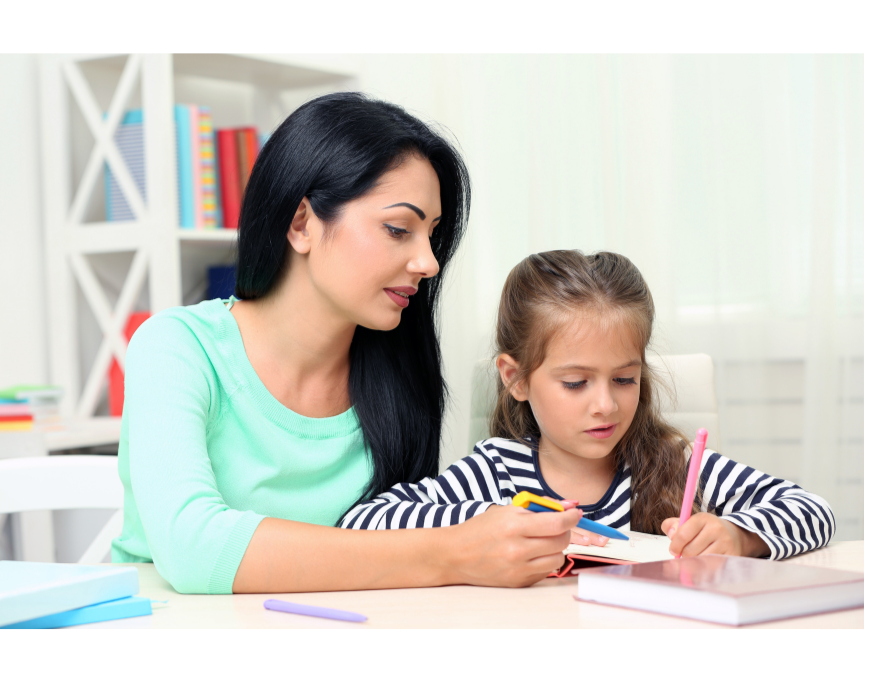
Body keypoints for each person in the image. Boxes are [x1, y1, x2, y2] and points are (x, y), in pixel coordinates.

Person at [111, 94, 581, 594]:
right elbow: (193, 548)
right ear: (302, 223)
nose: (428, 262)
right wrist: (452, 552)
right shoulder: (177, 348)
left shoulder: (394, 373)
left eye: (431, 235)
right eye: (398, 229)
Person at [341, 250, 835, 562]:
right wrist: (489, 520)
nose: (606, 404)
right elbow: (362, 521)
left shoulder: (672, 462)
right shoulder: (498, 470)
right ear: (515, 379)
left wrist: (740, 535)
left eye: (625, 379)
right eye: (576, 383)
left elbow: (814, 511)